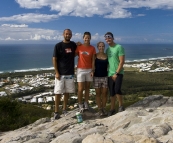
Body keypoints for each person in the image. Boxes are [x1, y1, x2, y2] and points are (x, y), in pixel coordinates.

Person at [52, 29, 77, 119]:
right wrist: (57, 72)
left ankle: (65, 109)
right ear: (63, 34)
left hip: (70, 73)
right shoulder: (58, 46)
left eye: (69, 34)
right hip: (60, 74)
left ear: (71, 35)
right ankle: (56, 112)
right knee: (58, 92)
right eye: (66, 34)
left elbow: (78, 50)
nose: (68, 35)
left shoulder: (73, 45)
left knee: (67, 92)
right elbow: (54, 59)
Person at [105, 32, 125, 116]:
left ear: (113, 38)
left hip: (118, 73)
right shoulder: (107, 50)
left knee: (117, 90)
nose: (108, 39)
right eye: (106, 38)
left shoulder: (119, 47)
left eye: (109, 37)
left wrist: (116, 73)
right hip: (110, 74)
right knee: (112, 92)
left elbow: (122, 61)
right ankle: (112, 109)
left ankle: (121, 106)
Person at [75, 32, 96, 112]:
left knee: (87, 88)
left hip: (89, 70)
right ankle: (80, 104)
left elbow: (93, 60)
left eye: (88, 37)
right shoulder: (79, 47)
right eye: (85, 38)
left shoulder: (92, 48)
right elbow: (74, 54)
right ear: (83, 38)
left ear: (90, 38)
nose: (87, 39)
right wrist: (76, 45)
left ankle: (86, 103)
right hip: (80, 69)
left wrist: (93, 70)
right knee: (80, 88)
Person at [93, 42, 108, 116]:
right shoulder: (95, 56)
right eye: (100, 46)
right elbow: (93, 66)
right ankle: (100, 109)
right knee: (98, 94)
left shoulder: (106, 56)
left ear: (104, 47)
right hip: (96, 77)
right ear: (97, 47)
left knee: (105, 93)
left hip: (105, 76)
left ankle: (104, 108)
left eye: (102, 46)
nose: (101, 47)